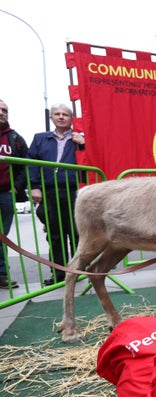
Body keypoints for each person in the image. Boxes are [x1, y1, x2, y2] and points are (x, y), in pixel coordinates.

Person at [27, 103, 85, 286]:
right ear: (51, 118)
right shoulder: (40, 139)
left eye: (65, 114)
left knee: (77, 232)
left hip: (75, 191)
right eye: (57, 114)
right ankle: (59, 273)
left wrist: (83, 145)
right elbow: (32, 163)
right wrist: (34, 187)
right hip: (49, 192)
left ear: (71, 119)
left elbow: (89, 160)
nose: (61, 117)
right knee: (55, 234)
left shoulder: (79, 139)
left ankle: (78, 270)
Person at [0, 99, 29, 289]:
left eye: (5, 110)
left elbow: (25, 166)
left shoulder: (15, 138)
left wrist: (16, 188)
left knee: (2, 236)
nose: (2, 113)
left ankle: (2, 274)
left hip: (5, 194)